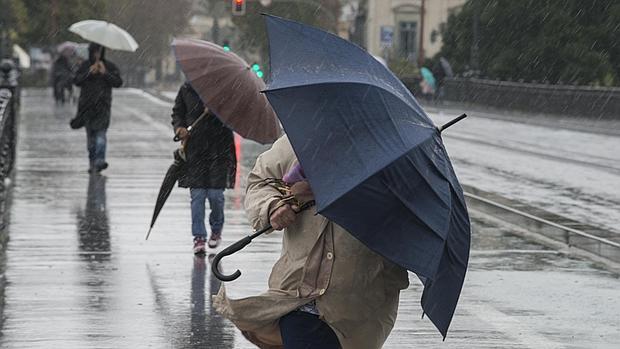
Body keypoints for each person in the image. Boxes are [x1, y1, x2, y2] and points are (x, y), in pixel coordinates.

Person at [213, 136, 409, 349]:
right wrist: (273, 206)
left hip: (360, 308)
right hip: (297, 297)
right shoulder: (300, 140)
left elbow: (412, 220)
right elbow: (260, 183)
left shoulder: (394, 152)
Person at [171, 82, 236, 254]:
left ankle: (216, 229)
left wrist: (217, 111)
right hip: (195, 151)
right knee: (197, 196)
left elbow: (234, 115)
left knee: (216, 196)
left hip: (218, 151)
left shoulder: (223, 90)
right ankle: (199, 237)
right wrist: (180, 128)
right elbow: (178, 112)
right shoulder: (186, 88)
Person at [73, 43, 122, 173]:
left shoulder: (110, 66)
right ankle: (92, 162)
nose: (97, 55)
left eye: (99, 52)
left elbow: (118, 82)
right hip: (87, 107)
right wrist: (89, 73)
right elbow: (76, 80)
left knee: (101, 136)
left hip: (103, 107)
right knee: (91, 140)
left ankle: (100, 160)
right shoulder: (84, 66)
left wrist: (105, 73)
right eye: (94, 52)